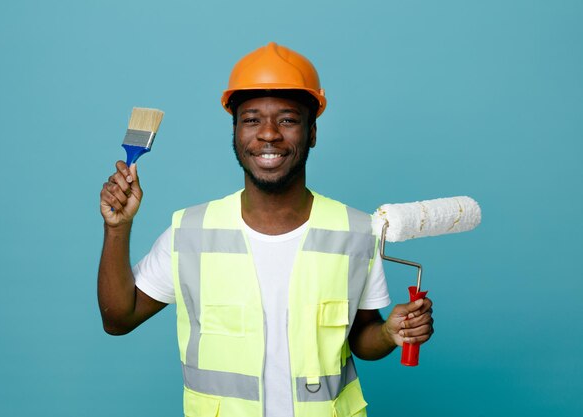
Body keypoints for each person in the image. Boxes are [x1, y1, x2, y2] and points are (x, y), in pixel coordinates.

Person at [98, 42, 434, 417]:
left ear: (312, 132)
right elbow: (118, 319)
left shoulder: (356, 232)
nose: (269, 134)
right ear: (236, 131)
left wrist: (389, 333)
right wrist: (118, 228)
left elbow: (361, 337)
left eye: (288, 119)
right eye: (252, 119)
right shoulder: (190, 232)